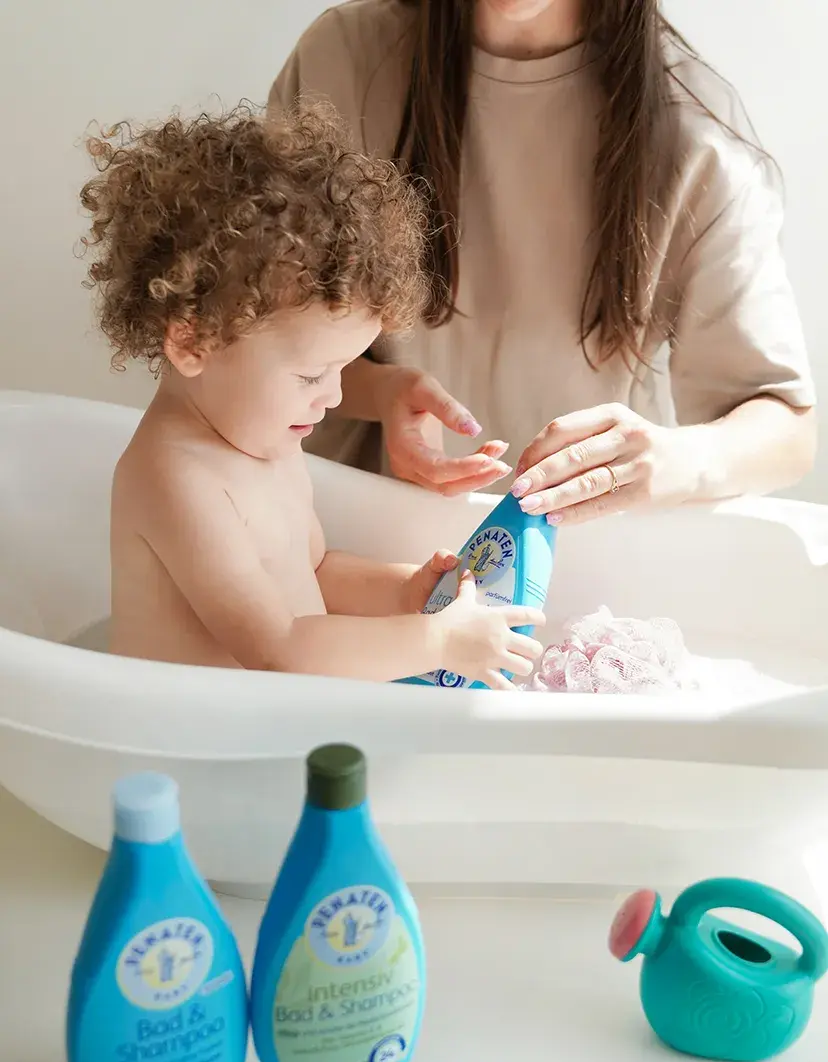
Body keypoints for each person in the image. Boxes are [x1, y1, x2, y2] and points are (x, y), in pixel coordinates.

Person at [269, 0, 816, 525]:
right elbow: (248, 340)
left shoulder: (697, 135)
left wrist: (669, 459)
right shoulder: (340, 61)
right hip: (350, 541)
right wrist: (380, 393)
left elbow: (786, 428)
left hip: (582, 564)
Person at [80, 104, 545, 687]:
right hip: (184, 745)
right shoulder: (175, 477)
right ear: (192, 339)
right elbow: (276, 646)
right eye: (310, 376)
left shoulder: (263, 437)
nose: (333, 397)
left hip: (270, 722)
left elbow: (312, 573)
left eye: (343, 369)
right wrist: (435, 641)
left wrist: (405, 593)